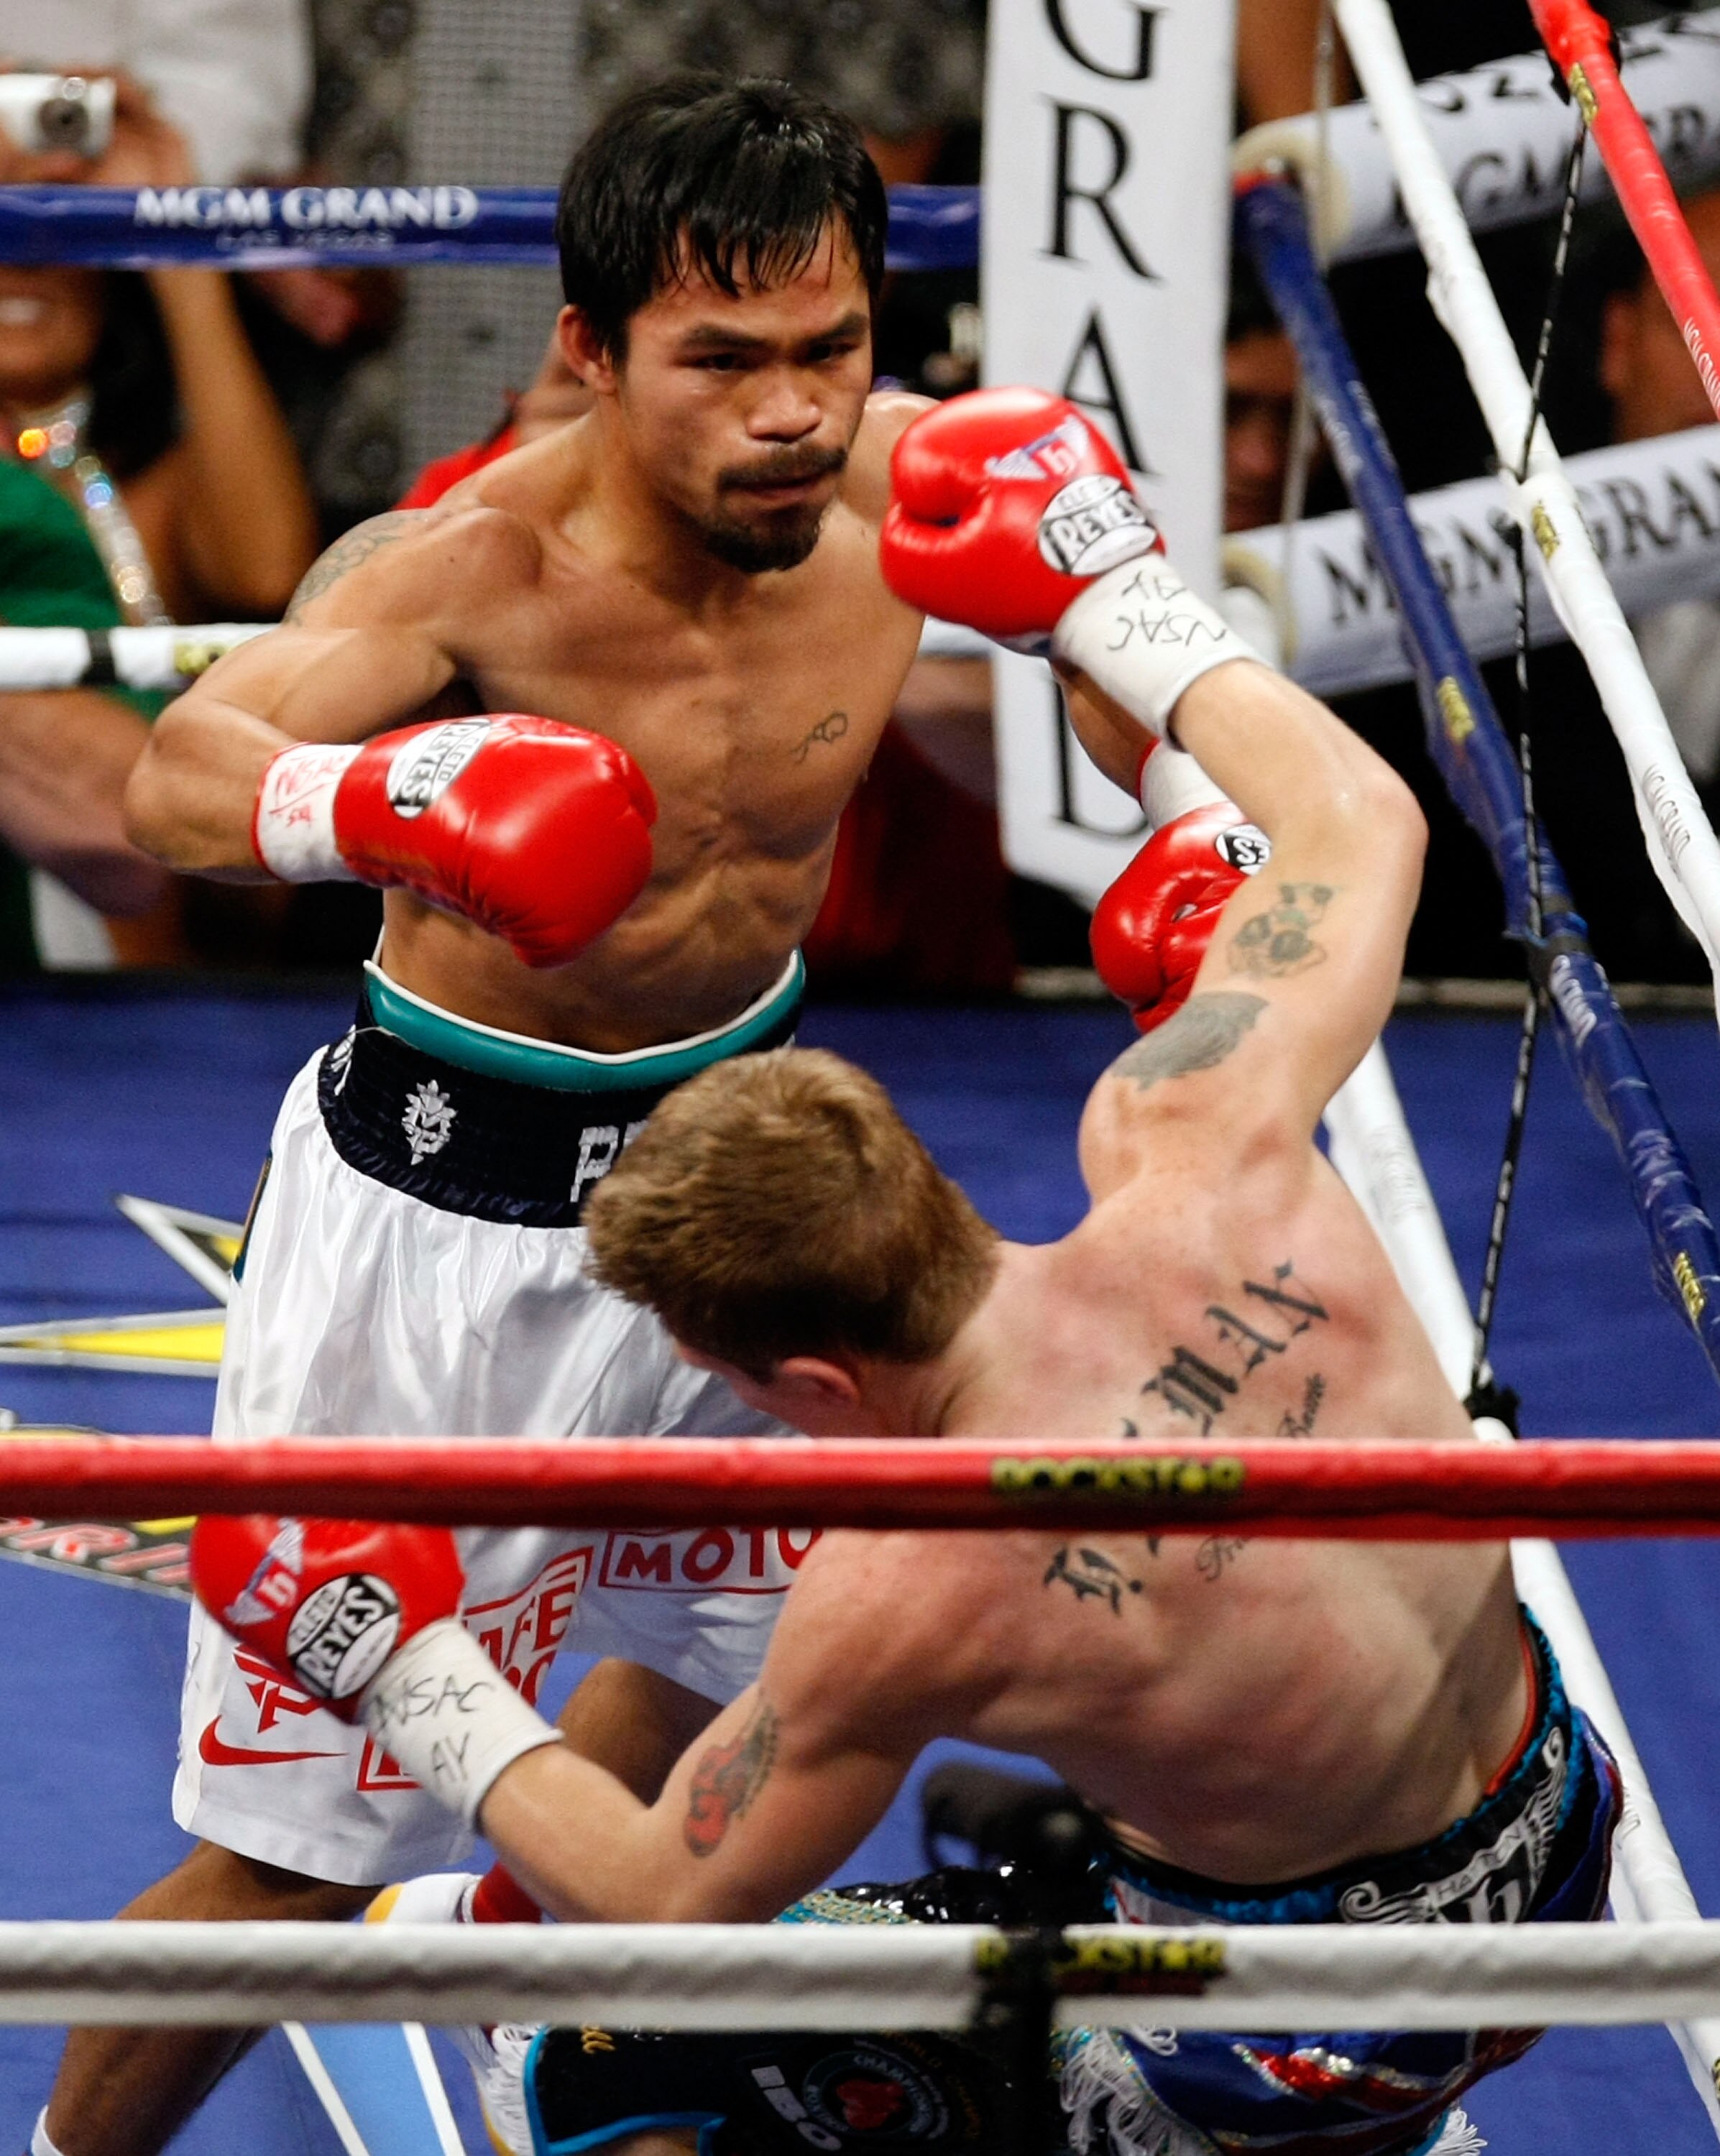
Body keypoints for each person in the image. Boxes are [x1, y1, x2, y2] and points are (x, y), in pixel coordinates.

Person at [193, 385, 1619, 2156]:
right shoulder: (1211, 1143)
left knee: (590, 2048)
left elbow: (651, 1888)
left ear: (799, 1385)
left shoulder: (912, 1585)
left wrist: (397, 1656)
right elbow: (1364, 829)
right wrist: (1116, 601)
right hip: (1566, 1850)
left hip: (1286, 2026)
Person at [37, 83, 1251, 2156]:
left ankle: (540, 1970)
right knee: (304, 1869)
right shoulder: (467, 566)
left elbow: (1108, 656)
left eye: (831, 349)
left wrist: (1195, 815)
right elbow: (176, 780)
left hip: (753, 1187)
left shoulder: (920, 493)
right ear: (593, 352)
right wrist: (388, 799)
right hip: (442, 1236)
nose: (790, 413)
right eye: (722, 362)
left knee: (766, 1701)